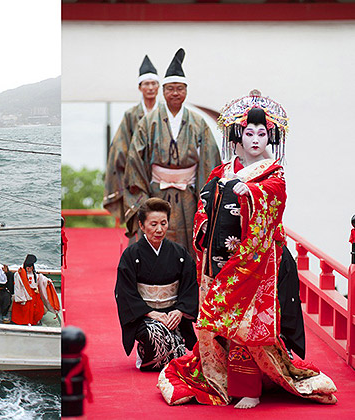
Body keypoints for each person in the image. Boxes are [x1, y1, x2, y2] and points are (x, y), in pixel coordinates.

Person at [158, 91, 337, 408]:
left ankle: (250, 387)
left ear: (270, 137)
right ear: (238, 135)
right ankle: (220, 378)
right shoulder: (223, 170)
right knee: (216, 326)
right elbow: (204, 207)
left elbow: (273, 200)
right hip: (216, 262)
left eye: (263, 133)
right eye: (250, 133)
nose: (256, 139)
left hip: (252, 262)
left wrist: (249, 193)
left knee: (247, 327)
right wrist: (204, 225)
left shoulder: (273, 174)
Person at [123, 48, 221, 251]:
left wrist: (205, 197)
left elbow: (211, 159)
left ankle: (187, 282)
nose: (175, 93)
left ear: (186, 91)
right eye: (170, 88)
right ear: (163, 91)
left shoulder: (197, 121)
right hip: (156, 192)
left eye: (180, 88)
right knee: (155, 240)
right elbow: (134, 159)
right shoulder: (148, 122)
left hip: (189, 194)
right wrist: (143, 198)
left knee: (188, 246)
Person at [114, 198, 198, 371]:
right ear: (142, 225)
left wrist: (181, 310)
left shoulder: (179, 253)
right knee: (154, 334)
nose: (159, 229)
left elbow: (190, 285)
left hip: (172, 312)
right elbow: (124, 292)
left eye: (163, 223)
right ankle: (146, 351)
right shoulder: (131, 255)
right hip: (145, 315)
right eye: (153, 224)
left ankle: (170, 349)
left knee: (175, 346)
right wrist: (150, 313)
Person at [104, 54, 160, 223]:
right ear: (140, 87)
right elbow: (120, 148)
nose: (150, 87)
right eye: (146, 84)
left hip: (162, 176)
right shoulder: (131, 115)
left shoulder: (165, 113)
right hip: (137, 177)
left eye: (153, 83)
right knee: (140, 221)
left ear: (158, 87)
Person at [11, 254, 59, 326]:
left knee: (38, 309)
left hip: (34, 294)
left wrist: (47, 281)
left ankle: (34, 321)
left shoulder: (35, 275)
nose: (29, 268)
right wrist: (21, 298)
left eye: (31, 267)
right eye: (28, 267)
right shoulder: (19, 274)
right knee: (24, 309)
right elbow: (18, 287)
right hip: (24, 295)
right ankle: (24, 322)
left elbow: (42, 279)